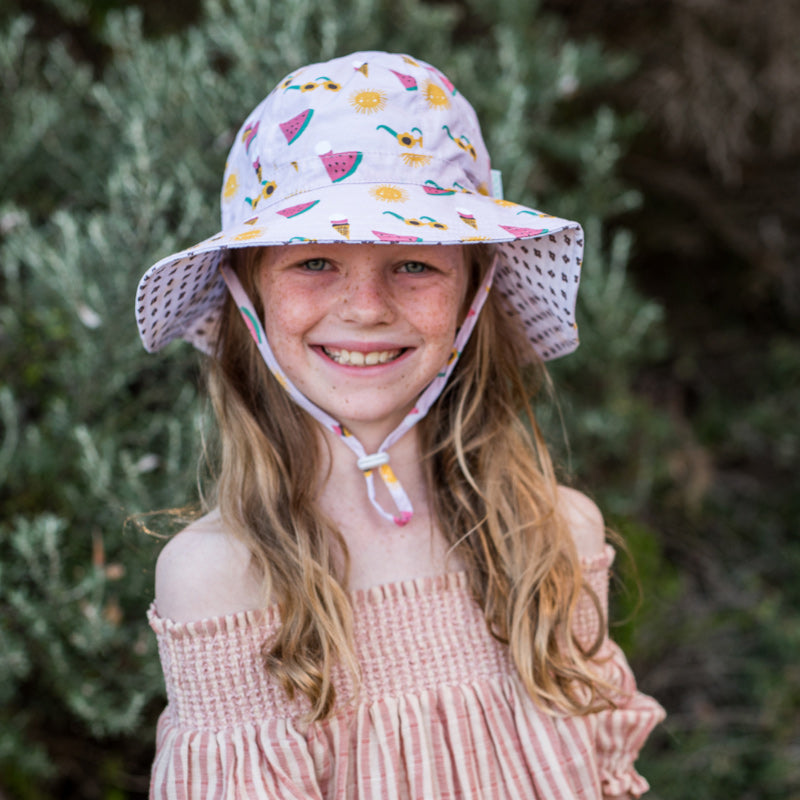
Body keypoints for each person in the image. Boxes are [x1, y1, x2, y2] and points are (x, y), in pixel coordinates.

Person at [136, 50, 665, 798]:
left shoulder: (555, 540)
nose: (365, 307)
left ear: (474, 295)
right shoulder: (223, 580)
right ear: (246, 298)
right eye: (314, 261)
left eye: (414, 263)